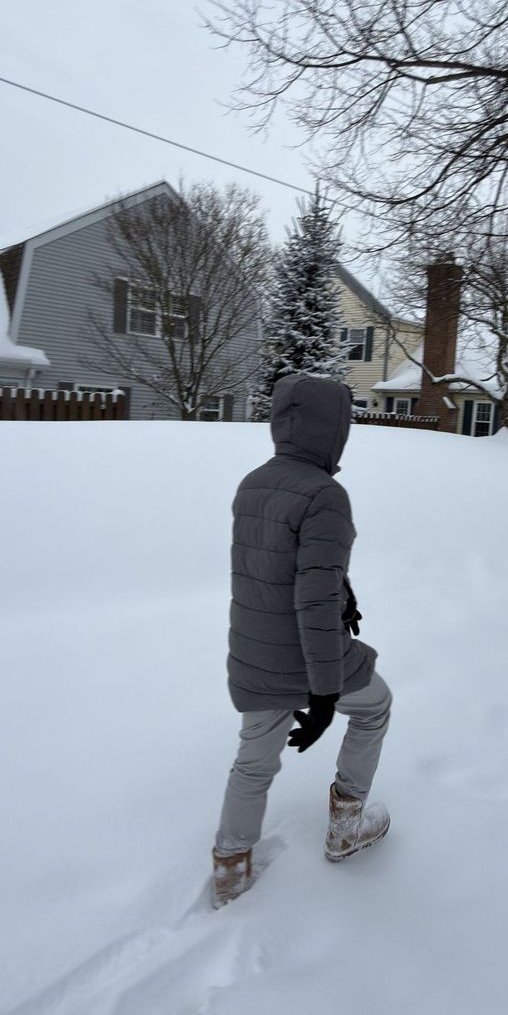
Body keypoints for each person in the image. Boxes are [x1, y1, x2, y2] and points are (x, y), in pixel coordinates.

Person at [211, 373, 392, 909]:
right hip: (309, 658)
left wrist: (345, 595)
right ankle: (346, 827)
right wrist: (324, 694)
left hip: (254, 653)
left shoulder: (253, 483)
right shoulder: (325, 494)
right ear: (332, 429)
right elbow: (313, 599)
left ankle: (230, 869)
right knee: (375, 707)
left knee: (253, 763)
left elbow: (282, 568)